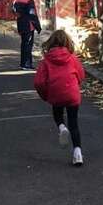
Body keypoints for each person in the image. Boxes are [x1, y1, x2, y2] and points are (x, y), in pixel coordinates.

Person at [34, 29, 86, 167]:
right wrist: (76, 85)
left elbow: (39, 82)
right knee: (74, 123)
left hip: (55, 93)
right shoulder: (72, 58)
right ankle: (78, 153)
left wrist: (45, 95)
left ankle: (62, 127)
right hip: (72, 93)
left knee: (58, 115)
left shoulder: (46, 61)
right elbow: (81, 75)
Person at [13, 0, 41, 69]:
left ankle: (22, 63)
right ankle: (27, 64)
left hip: (20, 24)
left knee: (23, 44)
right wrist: (37, 26)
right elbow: (32, 14)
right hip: (29, 26)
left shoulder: (16, 0)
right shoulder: (29, 0)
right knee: (28, 44)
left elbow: (13, 10)